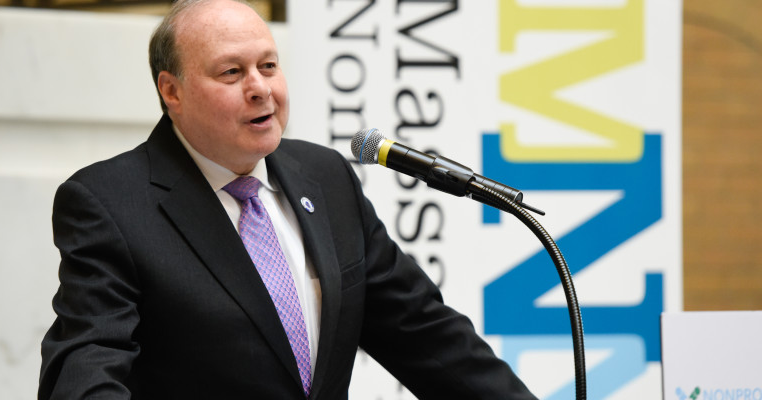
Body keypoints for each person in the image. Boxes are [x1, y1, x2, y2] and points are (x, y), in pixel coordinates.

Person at [38, 0, 538, 399]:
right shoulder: (111, 203)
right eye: (231, 72)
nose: (260, 88)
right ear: (172, 90)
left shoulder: (326, 177)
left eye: (269, 66)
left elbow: (425, 335)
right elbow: (87, 366)